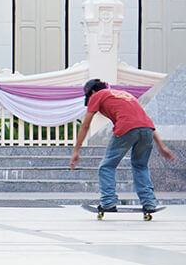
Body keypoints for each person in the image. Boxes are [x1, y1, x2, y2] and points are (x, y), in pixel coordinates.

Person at [70, 79, 176, 214]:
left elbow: (85, 125)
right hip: (147, 130)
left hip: (126, 127)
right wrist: (161, 147)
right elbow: (143, 122)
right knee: (141, 166)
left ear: (92, 92)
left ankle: (108, 202)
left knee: (107, 166)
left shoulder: (97, 95)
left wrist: (76, 150)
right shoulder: (125, 95)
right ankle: (149, 203)